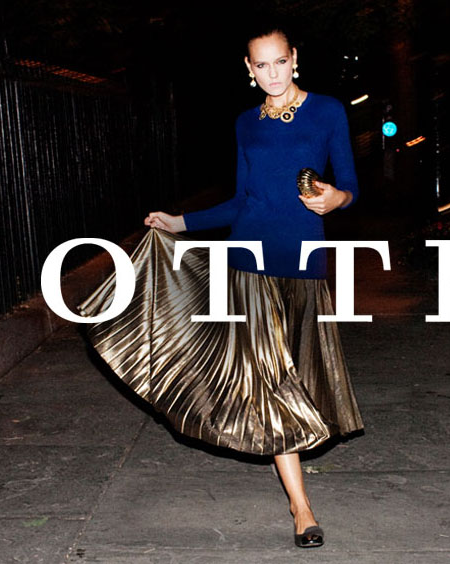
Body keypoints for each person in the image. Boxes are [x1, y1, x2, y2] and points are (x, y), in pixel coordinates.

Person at [91, 24, 362, 549]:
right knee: (272, 379)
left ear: (295, 58)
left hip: (303, 264)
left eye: (280, 61)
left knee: (300, 379)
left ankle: (289, 480)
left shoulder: (327, 111)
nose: (272, 73)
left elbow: (350, 185)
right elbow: (242, 200)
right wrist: (182, 222)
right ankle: (301, 507)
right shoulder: (245, 123)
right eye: (262, 65)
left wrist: (337, 199)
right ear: (249, 69)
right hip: (248, 263)